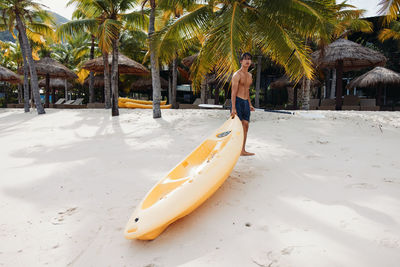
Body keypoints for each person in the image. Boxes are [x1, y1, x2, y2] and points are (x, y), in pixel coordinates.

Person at [231, 52, 255, 156]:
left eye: (249, 59)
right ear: (241, 61)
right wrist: (233, 108)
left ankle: (242, 150)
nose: (247, 61)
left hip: (245, 102)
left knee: (246, 126)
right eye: (245, 59)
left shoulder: (250, 75)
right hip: (238, 101)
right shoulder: (237, 75)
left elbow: (247, 91)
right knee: (238, 127)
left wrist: (250, 104)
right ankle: (234, 149)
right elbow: (233, 92)